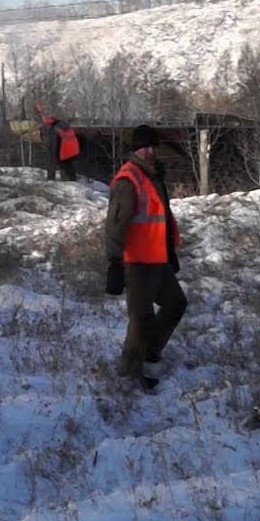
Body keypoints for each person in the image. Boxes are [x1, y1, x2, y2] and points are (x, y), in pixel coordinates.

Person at [104, 124, 186, 392]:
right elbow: (116, 225)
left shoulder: (153, 175)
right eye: (145, 146)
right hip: (137, 262)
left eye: (153, 146)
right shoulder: (129, 180)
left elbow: (161, 218)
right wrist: (115, 263)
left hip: (157, 258)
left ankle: (150, 350)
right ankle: (129, 371)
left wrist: (169, 250)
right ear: (135, 148)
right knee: (141, 318)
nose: (150, 151)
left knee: (175, 303)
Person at [36, 104, 80, 181]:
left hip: (62, 150)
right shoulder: (59, 124)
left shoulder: (57, 127)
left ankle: (64, 180)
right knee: (62, 165)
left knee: (61, 164)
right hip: (65, 150)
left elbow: (56, 141)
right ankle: (65, 179)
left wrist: (40, 112)